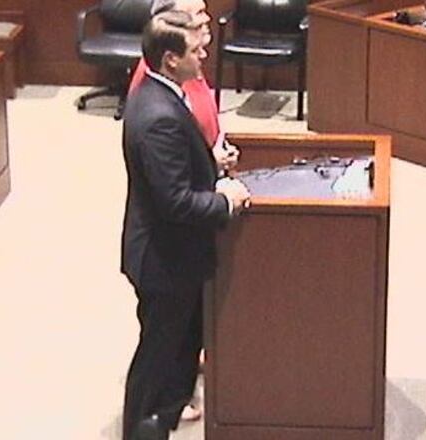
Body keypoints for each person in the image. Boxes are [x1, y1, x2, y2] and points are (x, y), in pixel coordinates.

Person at [120, 10, 250, 440]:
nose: (205, 52)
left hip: (176, 255)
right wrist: (224, 200)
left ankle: (165, 417)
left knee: (180, 346)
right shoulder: (158, 114)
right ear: (171, 59)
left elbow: (169, 172)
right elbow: (175, 202)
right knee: (159, 356)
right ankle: (142, 429)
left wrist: (206, 162)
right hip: (163, 260)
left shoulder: (164, 94)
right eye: (195, 49)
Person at [128, 0, 239, 172]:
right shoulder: (158, 77)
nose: (207, 19)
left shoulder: (187, 65)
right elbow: (165, 162)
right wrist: (209, 162)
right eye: (198, 14)